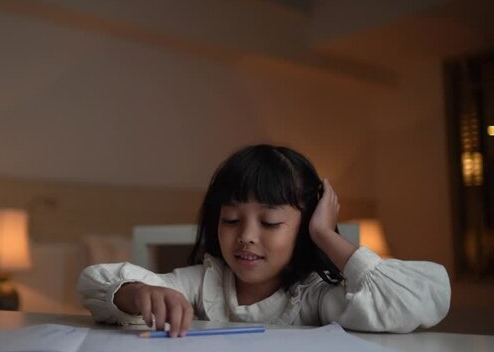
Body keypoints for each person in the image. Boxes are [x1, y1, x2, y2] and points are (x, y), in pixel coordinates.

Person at [77, 144, 451, 337]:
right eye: (232, 219)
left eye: (270, 222)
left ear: (304, 228)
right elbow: (94, 283)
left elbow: (418, 300)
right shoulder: (202, 284)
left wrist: (325, 235)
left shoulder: (314, 297)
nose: (246, 237)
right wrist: (136, 291)